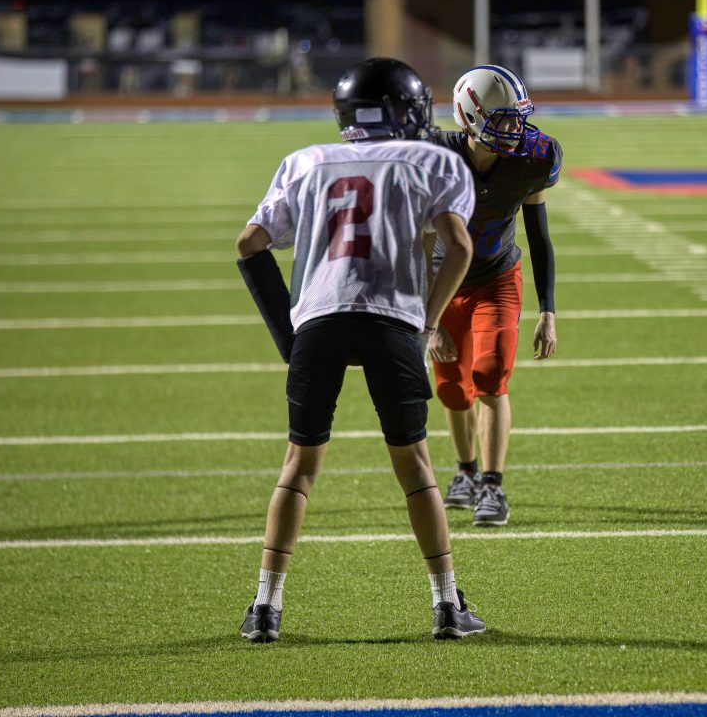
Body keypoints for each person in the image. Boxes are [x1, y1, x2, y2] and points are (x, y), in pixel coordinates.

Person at [234, 57, 484, 642]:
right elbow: (458, 246)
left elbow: (249, 243)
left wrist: (288, 334)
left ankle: (265, 607)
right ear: (403, 111)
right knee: (416, 468)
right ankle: (447, 605)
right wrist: (427, 322)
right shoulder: (431, 161)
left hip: (318, 321)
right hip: (391, 320)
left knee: (298, 467)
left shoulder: (305, 161)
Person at [424, 64, 561, 527]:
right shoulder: (435, 158)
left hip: (497, 279)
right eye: (504, 120)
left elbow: (538, 233)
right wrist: (429, 319)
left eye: (518, 118)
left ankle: (492, 484)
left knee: (490, 375)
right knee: (450, 388)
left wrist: (548, 309)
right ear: (471, 117)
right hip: (443, 282)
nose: (516, 129)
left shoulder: (532, 158)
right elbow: (417, 241)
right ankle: (465, 472)